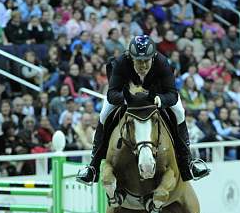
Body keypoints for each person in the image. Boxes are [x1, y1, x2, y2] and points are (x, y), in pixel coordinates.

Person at [76, 35, 210, 184]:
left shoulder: (162, 62)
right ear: (131, 58)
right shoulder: (121, 62)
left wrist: (160, 99)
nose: (143, 66)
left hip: (156, 95)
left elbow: (172, 94)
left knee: (179, 112)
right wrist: (127, 97)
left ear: (153, 58)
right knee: (104, 114)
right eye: (139, 62)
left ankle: (188, 163)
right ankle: (93, 167)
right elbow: (112, 94)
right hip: (126, 96)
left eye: (146, 61)